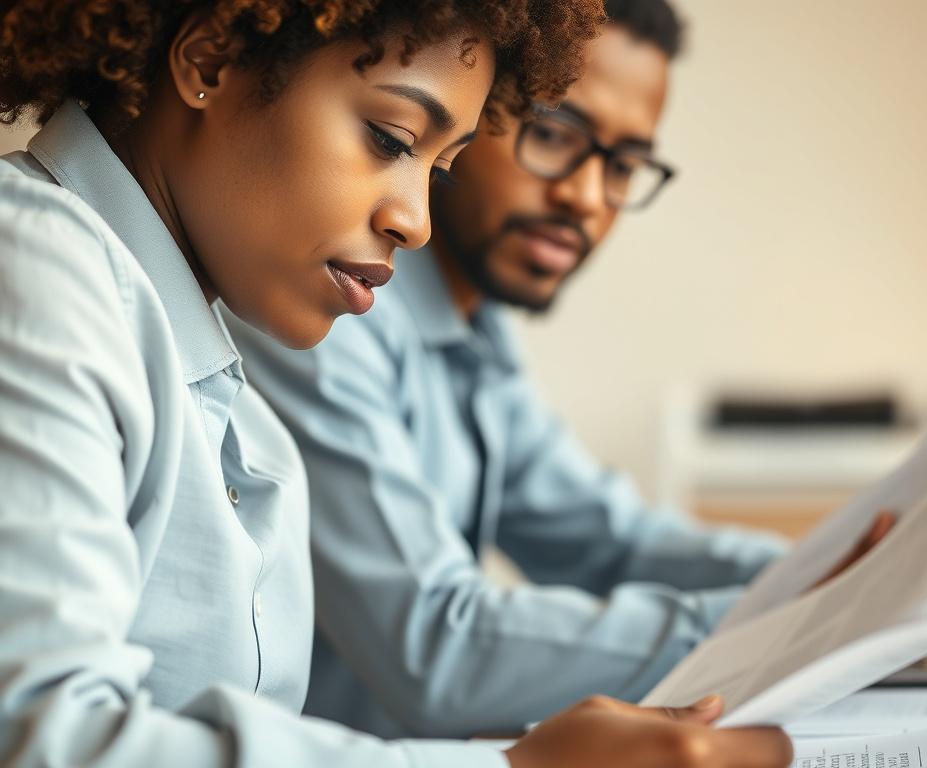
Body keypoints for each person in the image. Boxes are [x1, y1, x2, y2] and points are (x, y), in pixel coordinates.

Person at [0, 2, 794, 766]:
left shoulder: (231, 403)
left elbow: (602, 531)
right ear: (210, 61)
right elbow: (42, 740)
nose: (414, 221)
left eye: (440, 167)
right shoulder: (31, 268)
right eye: (391, 138)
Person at [226, 0, 796, 741]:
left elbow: (608, 539)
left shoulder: (475, 326)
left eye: (623, 167)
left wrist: (830, 566)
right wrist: (790, 617)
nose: (586, 197)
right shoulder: (329, 313)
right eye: (556, 135)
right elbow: (434, 649)